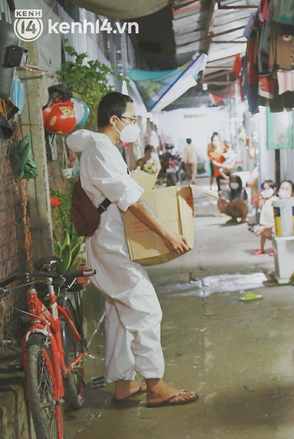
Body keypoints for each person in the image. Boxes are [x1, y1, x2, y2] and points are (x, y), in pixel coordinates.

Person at [66, 92, 198, 408]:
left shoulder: (102, 148)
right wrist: (166, 233)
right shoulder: (100, 147)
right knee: (144, 308)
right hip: (111, 243)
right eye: (131, 118)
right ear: (114, 120)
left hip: (109, 239)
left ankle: (124, 384)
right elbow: (128, 198)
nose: (134, 125)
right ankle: (155, 385)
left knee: (118, 311)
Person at [253, 179, 277, 255]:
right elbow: (260, 206)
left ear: (274, 190)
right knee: (262, 236)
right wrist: (262, 198)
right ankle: (261, 248)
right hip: (264, 223)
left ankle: (275, 249)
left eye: (268, 189)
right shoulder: (264, 200)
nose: (266, 191)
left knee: (274, 232)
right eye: (264, 189)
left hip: (272, 224)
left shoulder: (275, 200)